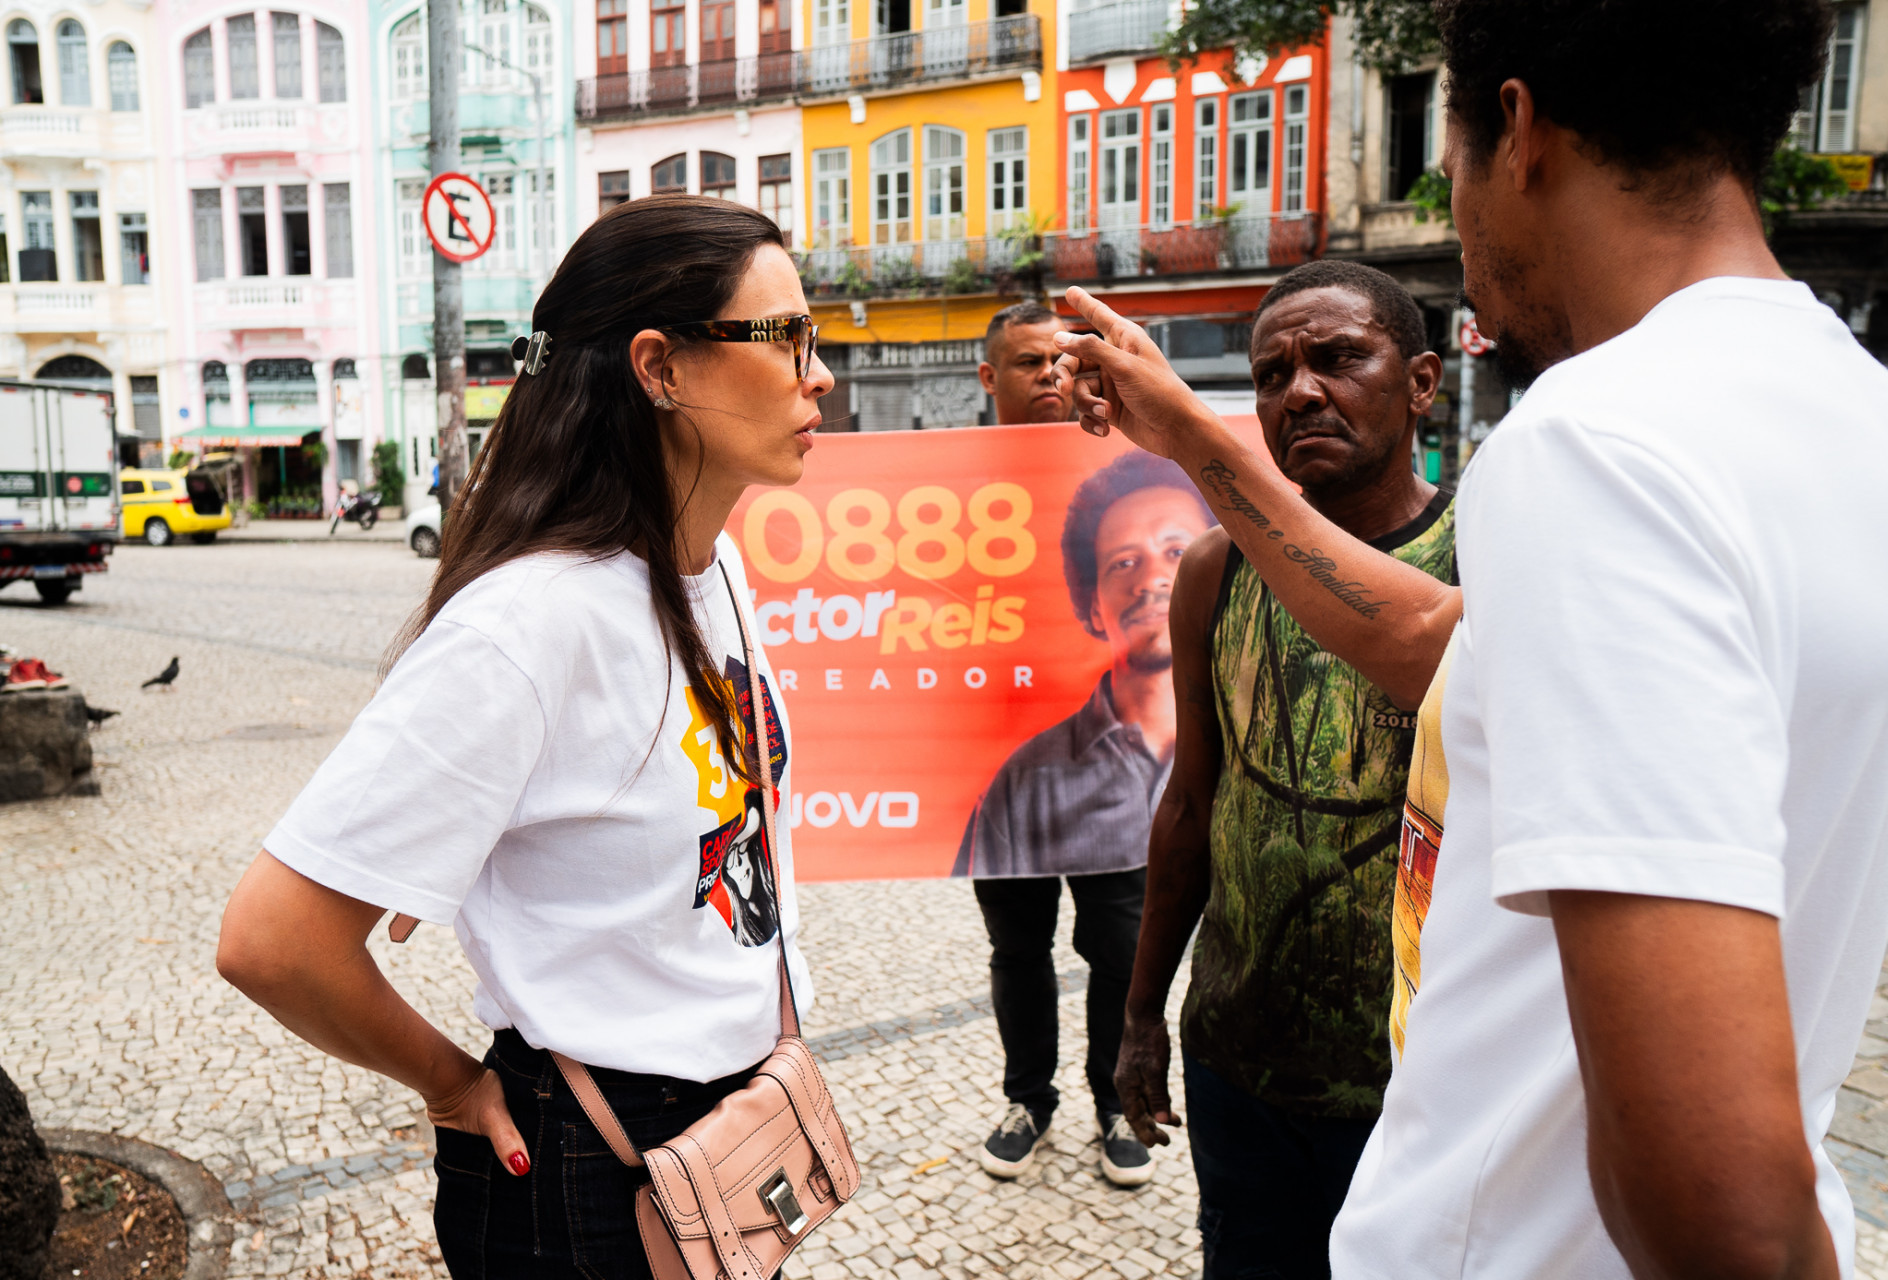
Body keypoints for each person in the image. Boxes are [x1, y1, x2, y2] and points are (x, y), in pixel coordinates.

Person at [1050, 0, 1888, 1275]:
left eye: (1444, 162)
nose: (1455, 224)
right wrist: (1189, 435)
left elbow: (1720, 1202)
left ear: (1516, 132)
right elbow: (1438, 641)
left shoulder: (1597, 442)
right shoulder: (1875, 424)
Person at [215, 196, 834, 1279]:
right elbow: (275, 938)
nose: (816, 371)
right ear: (662, 367)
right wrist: (452, 1083)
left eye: (814, 335)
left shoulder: (714, 569)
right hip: (588, 1169)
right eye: (783, 335)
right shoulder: (529, 622)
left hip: (726, 1125)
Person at [1115, 261, 1453, 1278]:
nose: (1299, 390)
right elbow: (1191, 800)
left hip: (1418, 1080)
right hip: (1240, 1061)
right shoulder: (1217, 569)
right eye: (1272, 374)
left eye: (1340, 358)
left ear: (1423, 381)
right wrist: (1140, 1016)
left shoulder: (1480, 557)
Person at [954, 449, 1215, 1187]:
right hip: (1017, 786)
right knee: (1018, 953)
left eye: (1175, 550)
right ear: (1090, 601)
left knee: (1122, 957)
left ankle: (1113, 1103)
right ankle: (1027, 1101)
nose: (1152, 577)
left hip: (1144, 839)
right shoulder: (1023, 780)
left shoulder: (1228, 730)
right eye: (1121, 562)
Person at [978, 301, 1072, 425]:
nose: (1049, 373)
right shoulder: (956, 444)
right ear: (989, 378)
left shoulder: (1103, 441)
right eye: (1029, 363)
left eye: (1060, 361)